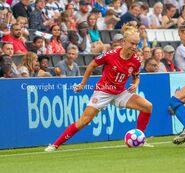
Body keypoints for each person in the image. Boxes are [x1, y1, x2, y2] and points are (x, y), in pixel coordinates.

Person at [45, 24, 153, 152]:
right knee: (84, 121)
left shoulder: (136, 60)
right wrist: (83, 84)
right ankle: (55, 145)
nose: (135, 47)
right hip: (103, 91)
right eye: (132, 43)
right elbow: (91, 65)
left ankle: (140, 138)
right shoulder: (111, 55)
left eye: (137, 44)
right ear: (124, 42)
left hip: (120, 92)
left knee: (147, 106)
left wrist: (135, 84)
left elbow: (136, 76)